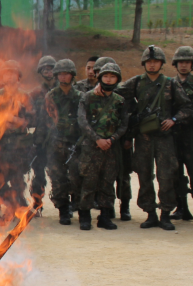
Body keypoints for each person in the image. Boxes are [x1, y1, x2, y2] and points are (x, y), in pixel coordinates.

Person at [117, 45, 193, 230]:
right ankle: (150, 214)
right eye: (149, 62)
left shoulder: (171, 83)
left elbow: (187, 107)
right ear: (144, 63)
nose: (152, 65)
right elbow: (116, 95)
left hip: (164, 138)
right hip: (143, 137)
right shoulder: (136, 83)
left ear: (161, 63)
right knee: (144, 175)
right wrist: (131, 115)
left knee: (166, 175)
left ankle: (166, 214)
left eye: (156, 62)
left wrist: (174, 119)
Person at [76, 63, 129, 231]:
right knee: (89, 182)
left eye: (112, 76)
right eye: (106, 76)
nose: (109, 79)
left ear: (117, 79)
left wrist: (112, 139)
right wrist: (97, 139)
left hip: (111, 148)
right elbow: (82, 121)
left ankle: (105, 216)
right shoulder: (88, 97)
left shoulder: (120, 101)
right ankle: (84, 216)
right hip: (91, 147)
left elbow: (124, 124)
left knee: (108, 183)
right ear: (100, 78)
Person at [0, 60, 37, 218]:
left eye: (13, 73)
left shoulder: (25, 97)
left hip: (18, 146)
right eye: (6, 74)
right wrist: (2, 120)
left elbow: (32, 119)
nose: (9, 77)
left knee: (17, 179)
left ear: (18, 77)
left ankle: (15, 208)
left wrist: (17, 121)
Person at [42, 59, 83, 225]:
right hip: (56, 143)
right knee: (57, 178)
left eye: (66, 73)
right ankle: (63, 210)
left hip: (75, 144)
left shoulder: (80, 97)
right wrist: (40, 143)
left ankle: (77, 206)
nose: (63, 77)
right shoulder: (50, 96)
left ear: (72, 75)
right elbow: (45, 120)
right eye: (60, 74)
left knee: (77, 177)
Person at [170, 46, 193, 222]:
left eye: (187, 62)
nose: (184, 65)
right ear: (176, 64)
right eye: (181, 62)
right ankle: (181, 207)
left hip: (191, 134)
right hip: (173, 135)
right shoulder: (169, 83)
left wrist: (179, 117)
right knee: (176, 173)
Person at [30, 55, 58, 206]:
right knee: (39, 173)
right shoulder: (35, 93)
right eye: (45, 70)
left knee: (58, 173)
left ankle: (64, 205)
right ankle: (37, 202)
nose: (49, 72)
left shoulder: (63, 91)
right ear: (40, 72)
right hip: (40, 139)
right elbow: (28, 114)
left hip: (59, 139)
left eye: (51, 69)